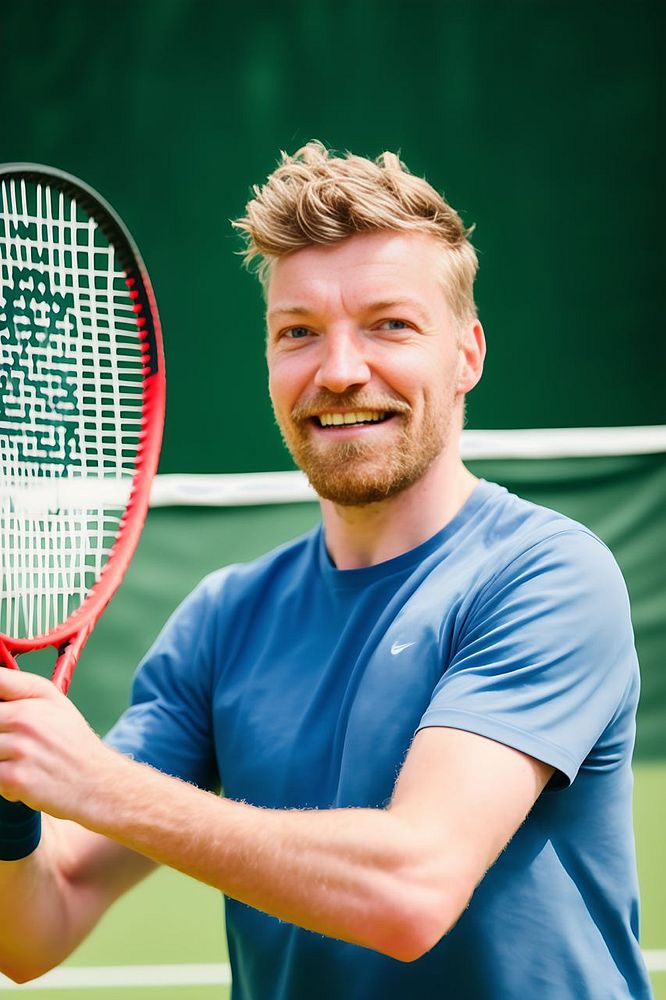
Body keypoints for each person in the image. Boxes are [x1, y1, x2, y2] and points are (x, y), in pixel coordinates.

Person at [0, 142, 653, 1000]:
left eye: (391, 325)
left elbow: (410, 890)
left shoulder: (546, 577)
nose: (340, 372)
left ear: (467, 354)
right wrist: (12, 821)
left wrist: (94, 783)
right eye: (298, 332)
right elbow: (37, 927)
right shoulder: (222, 620)